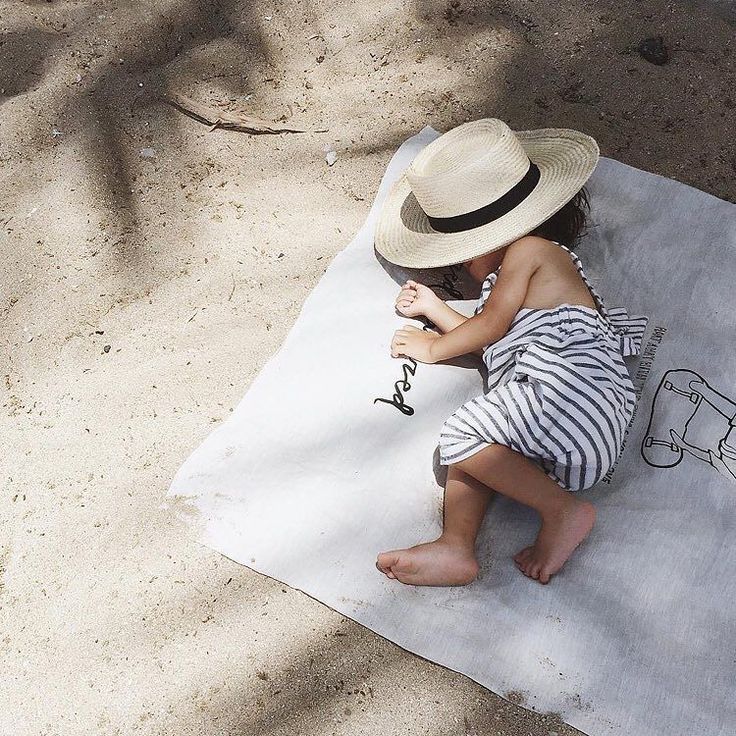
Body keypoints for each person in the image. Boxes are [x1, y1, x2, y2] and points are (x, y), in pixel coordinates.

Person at [372, 118, 647, 586]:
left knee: (463, 432)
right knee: (483, 449)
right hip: (579, 425)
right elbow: (495, 341)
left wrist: (435, 348)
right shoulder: (531, 284)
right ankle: (456, 546)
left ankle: (562, 512)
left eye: (463, 254)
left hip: (572, 394)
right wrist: (435, 308)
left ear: (496, 236)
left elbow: (491, 325)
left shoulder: (531, 251)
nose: (462, 266)